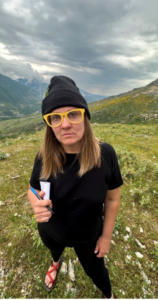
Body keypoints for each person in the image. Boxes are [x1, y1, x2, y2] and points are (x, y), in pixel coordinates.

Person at [27, 75, 123, 298]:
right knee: (54, 249)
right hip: (51, 230)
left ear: (85, 117)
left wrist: (106, 236)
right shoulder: (43, 156)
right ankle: (55, 261)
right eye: (55, 118)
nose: (66, 124)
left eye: (73, 114)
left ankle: (107, 294)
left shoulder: (105, 154)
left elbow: (112, 199)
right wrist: (36, 204)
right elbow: (32, 189)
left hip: (89, 235)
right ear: (49, 125)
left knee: (96, 270)